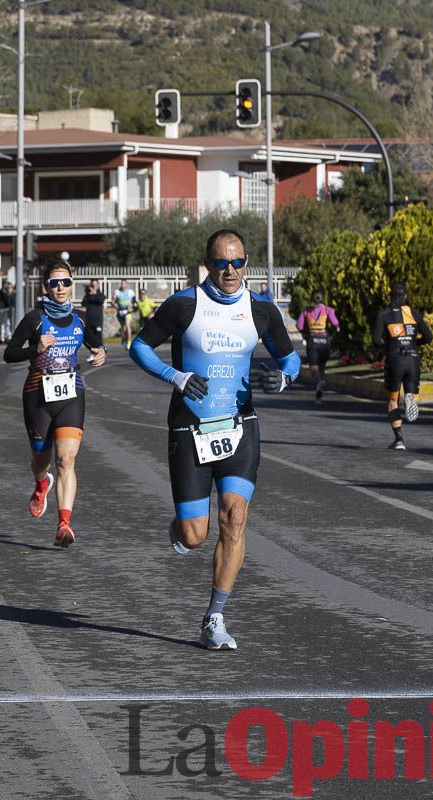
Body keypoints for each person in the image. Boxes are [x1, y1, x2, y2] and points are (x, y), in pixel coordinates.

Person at [129, 229, 300, 650]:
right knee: (194, 535)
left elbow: (291, 358)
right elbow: (138, 347)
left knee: (235, 518)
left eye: (238, 262)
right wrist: (176, 376)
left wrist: (283, 378)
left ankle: (214, 616)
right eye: (222, 262)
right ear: (208, 264)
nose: (230, 270)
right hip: (190, 428)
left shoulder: (261, 309)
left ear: (247, 263)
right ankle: (180, 530)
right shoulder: (184, 305)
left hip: (240, 426)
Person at [5, 260, 106, 547]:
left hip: (71, 391)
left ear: (71, 284)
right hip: (38, 393)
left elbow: (97, 345)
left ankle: (64, 524)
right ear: (45, 286)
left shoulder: (81, 318)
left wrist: (100, 355)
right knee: (41, 460)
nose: (60, 288)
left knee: (66, 459)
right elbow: (10, 354)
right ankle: (41, 485)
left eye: (64, 282)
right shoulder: (34, 318)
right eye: (53, 283)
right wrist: (34, 349)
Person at [373, 282, 432, 451]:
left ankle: (399, 439)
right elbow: (428, 336)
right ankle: (411, 399)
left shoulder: (383, 315)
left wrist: (388, 347)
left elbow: (376, 340)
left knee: (393, 399)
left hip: (395, 359)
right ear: (405, 296)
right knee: (411, 392)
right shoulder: (413, 313)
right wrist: (415, 343)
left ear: (390, 296)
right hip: (413, 358)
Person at [296, 290, 340, 405]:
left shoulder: (306, 311)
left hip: (313, 340)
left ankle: (319, 382)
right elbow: (335, 323)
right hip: (325, 340)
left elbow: (300, 326)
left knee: (314, 368)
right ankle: (319, 395)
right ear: (322, 298)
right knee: (322, 368)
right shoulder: (327, 310)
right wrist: (337, 328)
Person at [82, 278, 106, 361]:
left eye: (95, 285)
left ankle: (101, 353)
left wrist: (95, 293)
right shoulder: (88, 295)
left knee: (98, 337)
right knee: (91, 338)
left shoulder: (100, 294)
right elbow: (83, 303)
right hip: (89, 320)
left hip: (98, 320)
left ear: (98, 285)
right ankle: (93, 353)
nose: (94, 286)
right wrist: (89, 294)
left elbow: (100, 300)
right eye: (92, 285)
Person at [113, 278, 136, 348]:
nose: (123, 284)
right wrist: (116, 306)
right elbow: (113, 301)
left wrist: (131, 306)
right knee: (123, 328)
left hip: (128, 312)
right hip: (120, 311)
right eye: (122, 283)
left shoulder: (130, 292)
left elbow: (134, 301)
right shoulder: (117, 292)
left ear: (127, 284)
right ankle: (124, 339)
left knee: (127, 326)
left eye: (124, 283)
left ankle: (129, 342)